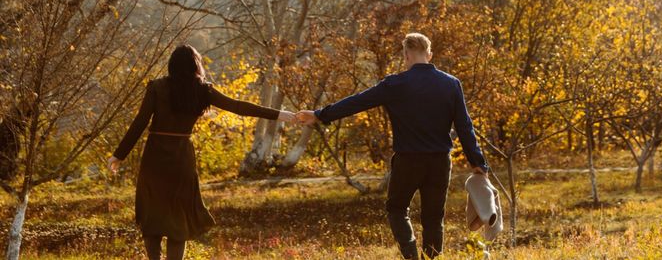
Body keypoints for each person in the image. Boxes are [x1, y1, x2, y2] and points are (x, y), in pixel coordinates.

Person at [297, 32, 488, 260]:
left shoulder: (395, 84)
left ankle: (410, 256)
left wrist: (319, 115)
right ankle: (432, 258)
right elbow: (465, 126)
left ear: (406, 55)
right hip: (439, 162)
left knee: (397, 209)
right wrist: (478, 162)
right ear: (429, 54)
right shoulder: (451, 84)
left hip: (408, 161)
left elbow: (357, 102)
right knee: (434, 217)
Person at [108, 45, 296, 260]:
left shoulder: (157, 87)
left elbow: (140, 122)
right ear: (196, 64)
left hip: (155, 158)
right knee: (179, 218)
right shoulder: (202, 90)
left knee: (153, 216)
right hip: (181, 160)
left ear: (172, 65)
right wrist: (281, 115)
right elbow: (238, 107)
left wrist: (119, 155)